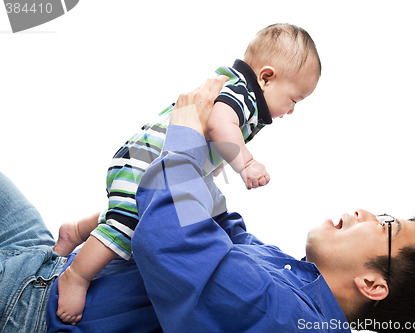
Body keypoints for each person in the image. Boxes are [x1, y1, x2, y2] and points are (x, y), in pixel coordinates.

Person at [0, 77, 415, 332]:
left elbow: (169, 243)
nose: (364, 212)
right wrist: (221, 148)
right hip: (50, 263)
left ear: (374, 284)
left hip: (31, 310)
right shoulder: (292, 278)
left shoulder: (289, 320)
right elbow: (221, 227)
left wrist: (183, 137)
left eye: (386, 224)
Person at [55, 23, 322, 324]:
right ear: (266, 77)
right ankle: (76, 276)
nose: (291, 110)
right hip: (145, 160)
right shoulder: (243, 94)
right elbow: (219, 124)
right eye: (294, 100)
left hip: (147, 157)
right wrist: (245, 163)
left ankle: (77, 231)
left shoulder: (242, 91)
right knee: (128, 221)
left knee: (141, 213)